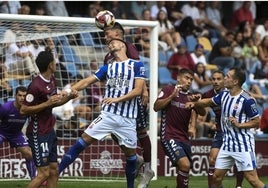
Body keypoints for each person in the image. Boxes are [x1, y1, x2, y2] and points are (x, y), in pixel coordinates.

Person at [58, 38, 146, 188]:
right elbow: (87, 81)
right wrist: (68, 91)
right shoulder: (108, 67)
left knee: (131, 157)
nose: (110, 43)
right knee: (82, 141)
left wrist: (118, 99)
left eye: (114, 42)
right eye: (109, 43)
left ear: (123, 45)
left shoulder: (136, 65)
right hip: (108, 115)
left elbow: (138, 90)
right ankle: (55, 174)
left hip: (128, 118)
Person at [185, 68, 267, 188]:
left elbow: (256, 122)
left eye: (227, 76)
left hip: (242, 144)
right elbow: (208, 102)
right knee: (216, 177)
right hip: (227, 144)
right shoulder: (224, 95)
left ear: (235, 82)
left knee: (252, 180)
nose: (225, 79)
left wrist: (240, 125)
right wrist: (195, 103)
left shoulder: (247, 100)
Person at [103, 22, 155, 187]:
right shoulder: (108, 56)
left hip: (134, 98)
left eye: (108, 34)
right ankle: (137, 158)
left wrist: (144, 90)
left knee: (141, 132)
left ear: (117, 34)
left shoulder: (129, 47)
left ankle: (148, 169)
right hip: (117, 103)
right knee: (112, 131)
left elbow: (139, 70)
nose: (105, 37)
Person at [20, 49, 77, 188]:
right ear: (50, 65)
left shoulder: (52, 79)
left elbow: (54, 102)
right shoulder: (35, 85)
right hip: (38, 132)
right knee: (43, 174)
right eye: (54, 61)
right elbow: (23, 110)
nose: (56, 63)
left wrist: (69, 97)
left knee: (54, 171)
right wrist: (46, 103)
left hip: (49, 129)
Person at [153, 68, 206, 188]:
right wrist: (171, 96)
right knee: (185, 165)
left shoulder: (191, 96)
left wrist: (197, 103)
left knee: (184, 169)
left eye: (191, 79)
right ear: (178, 78)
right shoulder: (168, 89)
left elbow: (201, 112)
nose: (189, 81)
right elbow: (156, 107)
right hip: (169, 135)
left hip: (184, 138)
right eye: (186, 78)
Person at [201, 70, 244, 188]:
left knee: (239, 162)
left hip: (235, 132)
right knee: (212, 160)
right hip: (220, 131)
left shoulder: (232, 93)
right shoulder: (208, 94)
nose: (216, 81)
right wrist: (193, 125)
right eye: (213, 79)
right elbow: (198, 105)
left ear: (224, 80)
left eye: (219, 79)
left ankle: (238, 186)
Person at [0, 86, 36, 180]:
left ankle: (34, 179)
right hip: (2, 132)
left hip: (16, 134)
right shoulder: (6, 107)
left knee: (29, 153)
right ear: (15, 96)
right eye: (19, 95)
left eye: (24, 96)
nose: (22, 98)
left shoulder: (27, 109)